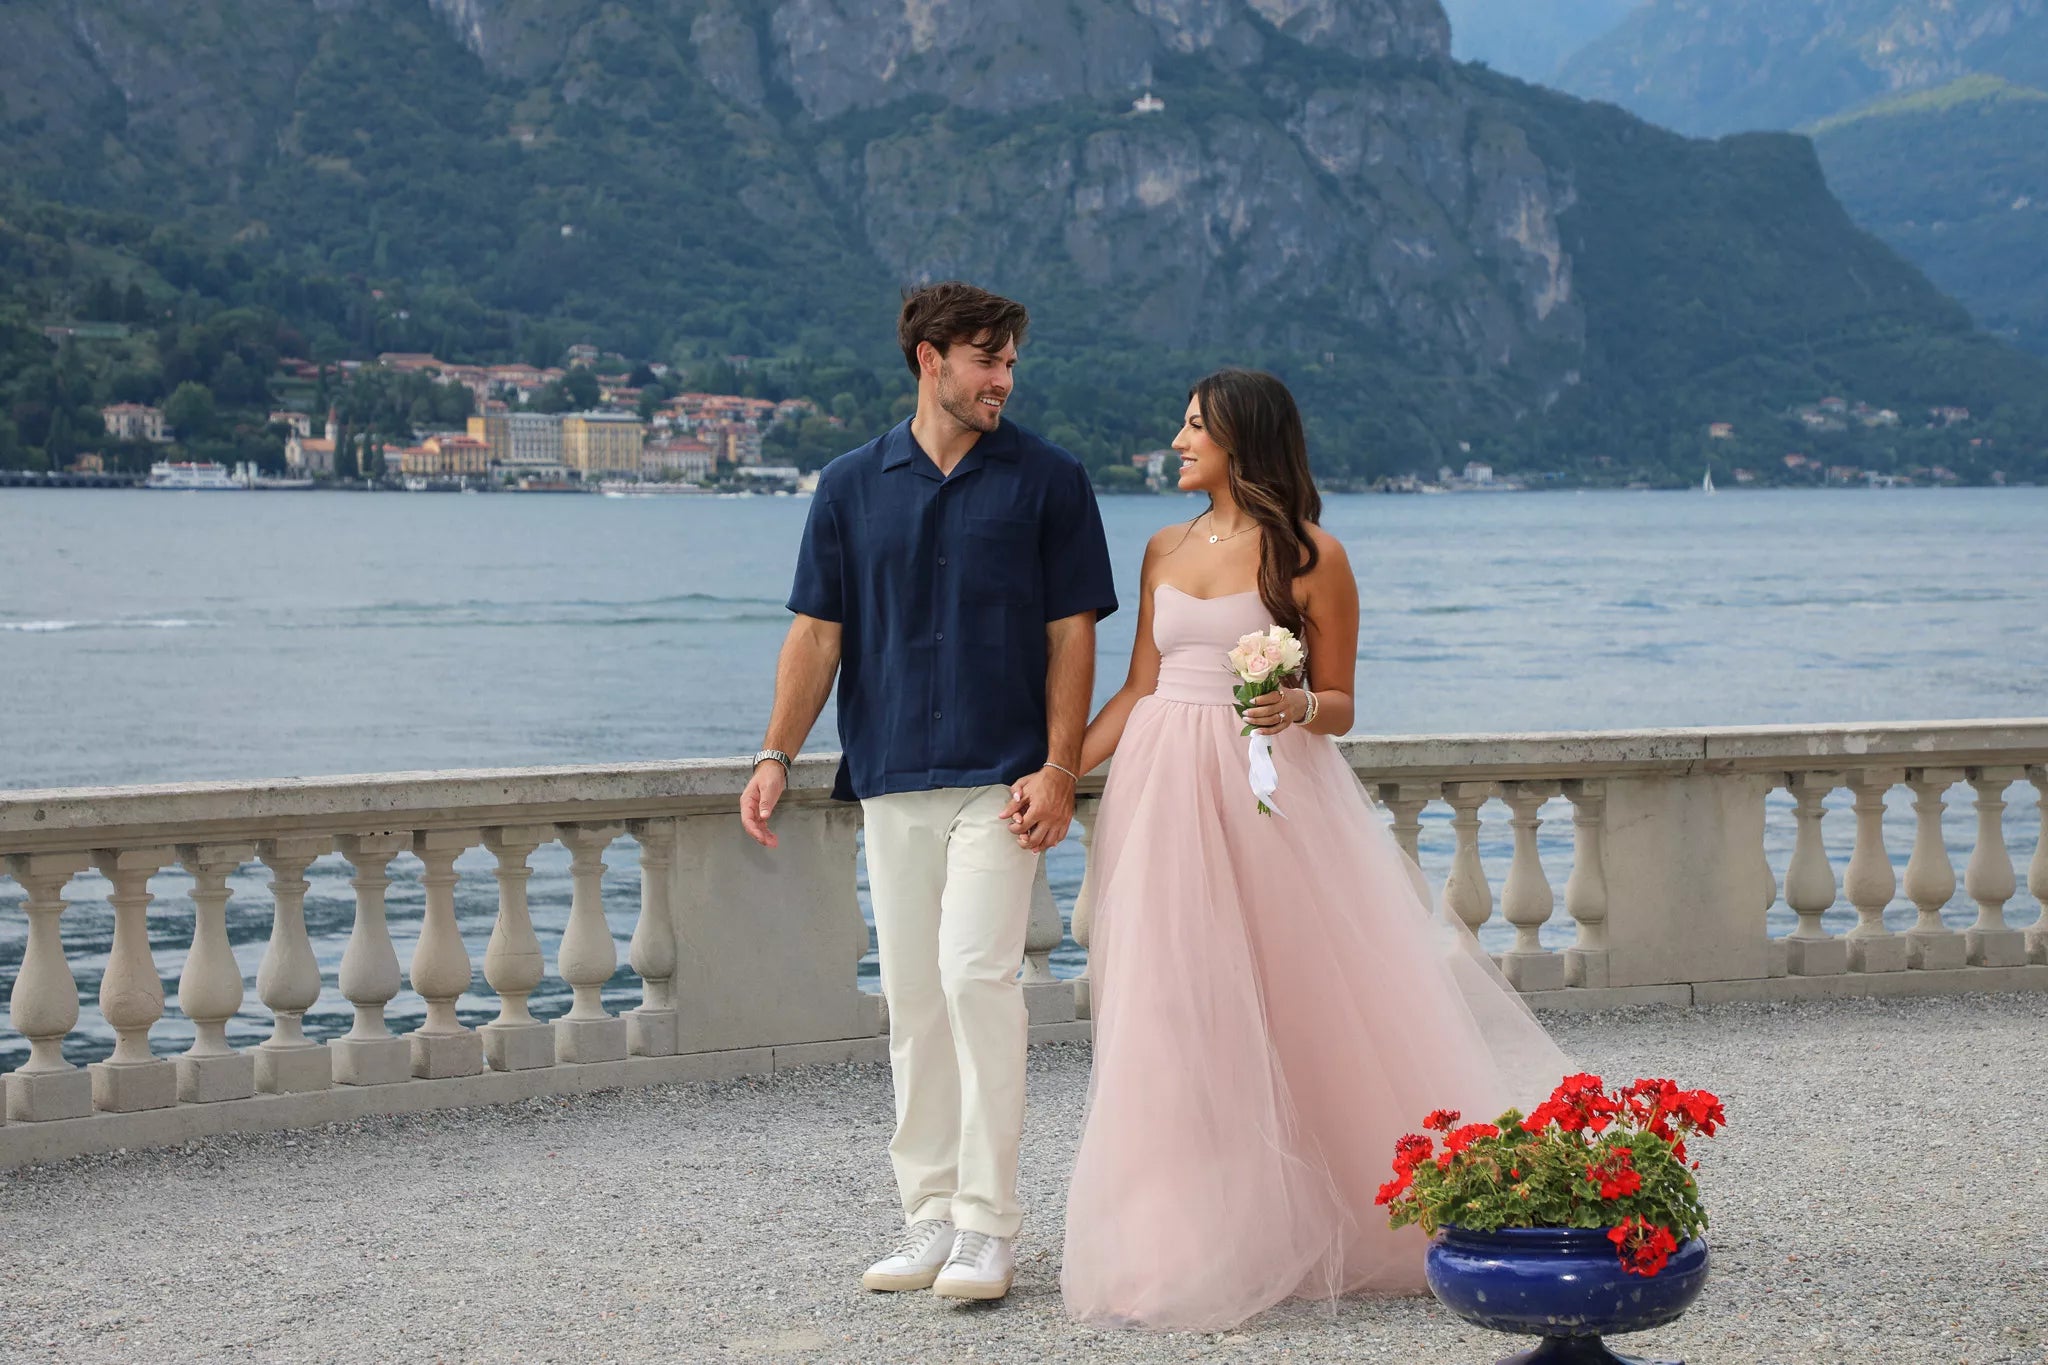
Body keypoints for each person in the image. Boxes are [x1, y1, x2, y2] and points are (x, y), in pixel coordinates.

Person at [1059, 369, 1570, 1331]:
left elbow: (1339, 701)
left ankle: (1333, 1211)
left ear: (1241, 442)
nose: (1176, 438)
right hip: (1163, 793)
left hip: (1265, 798)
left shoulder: (1312, 557)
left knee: (1292, 996)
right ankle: (1185, 1235)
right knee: (1170, 1004)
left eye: (1194, 425)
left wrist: (1294, 704)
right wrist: (1055, 771)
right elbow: (1136, 690)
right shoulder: (1162, 547)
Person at [741, 282, 1118, 1302]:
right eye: (986, 360)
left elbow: (1070, 634)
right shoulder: (849, 486)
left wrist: (1059, 766)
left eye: (1008, 364)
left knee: (972, 980)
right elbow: (818, 633)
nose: (1002, 380)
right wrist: (776, 751)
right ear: (929, 359)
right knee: (911, 999)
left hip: (1003, 782)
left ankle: (989, 1228)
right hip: (892, 776)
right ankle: (927, 1216)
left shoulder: (1049, 481)